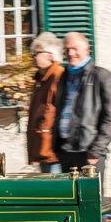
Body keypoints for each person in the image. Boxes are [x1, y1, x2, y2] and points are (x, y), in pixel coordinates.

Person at [53, 31, 111, 182]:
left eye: (75, 48)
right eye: (67, 49)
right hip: (66, 151)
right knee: (69, 201)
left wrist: (96, 151)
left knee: (90, 202)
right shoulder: (63, 77)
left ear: (86, 49)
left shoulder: (103, 77)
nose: (70, 53)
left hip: (88, 153)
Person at [27, 32, 65, 173]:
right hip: (42, 147)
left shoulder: (58, 76)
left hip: (53, 150)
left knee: (58, 190)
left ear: (50, 55)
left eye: (37, 53)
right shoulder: (41, 79)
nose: (33, 57)